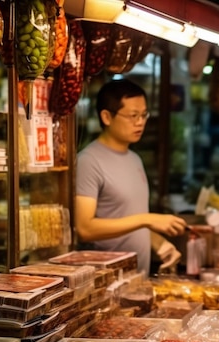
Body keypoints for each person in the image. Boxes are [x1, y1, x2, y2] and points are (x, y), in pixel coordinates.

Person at [75, 79, 187, 276]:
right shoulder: (89, 161)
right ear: (107, 117)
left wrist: (159, 243)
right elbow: (85, 227)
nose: (140, 122)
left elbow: (126, 219)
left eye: (144, 115)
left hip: (136, 279)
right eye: (133, 116)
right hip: (105, 281)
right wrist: (147, 219)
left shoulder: (134, 159)